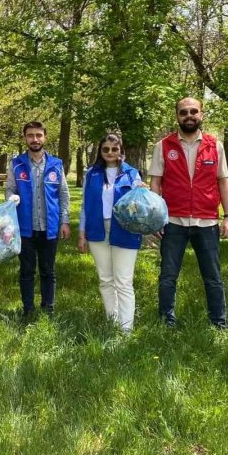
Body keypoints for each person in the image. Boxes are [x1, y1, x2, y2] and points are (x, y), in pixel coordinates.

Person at [149, 97, 228, 329]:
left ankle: (218, 323)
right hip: (172, 221)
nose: (189, 115)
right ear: (177, 116)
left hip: (206, 222)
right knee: (168, 276)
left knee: (213, 277)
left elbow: (223, 182)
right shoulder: (163, 146)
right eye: (183, 112)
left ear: (201, 115)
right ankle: (166, 322)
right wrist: (156, 218)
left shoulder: (215, 145)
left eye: (193, 111)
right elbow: (155, 183)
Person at [77, 133, 145, 332]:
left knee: (123, 281)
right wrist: (82, 234)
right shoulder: (91, 174)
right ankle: (112, 321)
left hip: (125, 230)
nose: (109, 152)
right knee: (106, 279)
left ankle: (126, 329)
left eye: (114, 149)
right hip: (97, 230)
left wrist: (141, 190)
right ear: (100, 151)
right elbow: (84, 206)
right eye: (105, 149)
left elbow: (139, 205)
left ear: (121, 151)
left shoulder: (132, 174)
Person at [5, 121, 70, 318]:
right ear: (25, 138)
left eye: (38, 135)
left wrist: (65, 221)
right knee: (26, 270)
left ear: (44, 137)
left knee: (48, 271)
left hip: (49, 227)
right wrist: (11, 199)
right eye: (31, 135)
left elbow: (64, 194)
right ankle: (28, 309)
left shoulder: (56, 165)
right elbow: (10, 189)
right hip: (25, 227)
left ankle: (48, 308)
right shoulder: (16, 164)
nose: (35, 139)